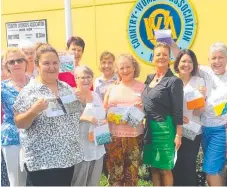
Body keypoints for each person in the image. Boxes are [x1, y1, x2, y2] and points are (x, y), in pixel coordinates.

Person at [13, 43, 83, 186]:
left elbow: (75, 117)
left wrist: (81, 103)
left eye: (55, 63)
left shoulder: (66, 88)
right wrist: (33, 111)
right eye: (46, 63)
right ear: (37, 65)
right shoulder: (29, 91)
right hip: (42, 161)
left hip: (67, 157)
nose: (51, 67)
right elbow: (19, 122)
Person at [142, 42, 183, 186]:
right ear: (153, 57)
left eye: (165, 54)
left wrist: (178, 134)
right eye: (158, 54)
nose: (161, 57)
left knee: (165, 168)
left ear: (170, 57)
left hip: (165, 129)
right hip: (149, 129)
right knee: (154, 167)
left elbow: (178, 109)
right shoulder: (149, 78)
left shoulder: (174, 81)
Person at [103, 53, 145, 186]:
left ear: (134, 68)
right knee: (115, 175)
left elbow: (147, 110)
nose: (125, 70)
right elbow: (103, 112)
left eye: (128, 67)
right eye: (121, 68)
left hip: (134, 137)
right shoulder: (111, 88)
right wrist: (109, 112)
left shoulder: (143, 88)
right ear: (117, 70)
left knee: (131, 175)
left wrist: (142, 107)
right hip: (114, 137)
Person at [172, 49, 206, 186]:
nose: (186, 64)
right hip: (174, 131)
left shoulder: (199, 82)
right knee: (174, 165)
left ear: (194, 64)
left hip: (193, 131)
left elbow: (199, 112)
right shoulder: (172, 81)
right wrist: (178, 117)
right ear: (177, 63)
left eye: (190, 61)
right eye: (183, 61)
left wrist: (202, 98)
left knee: (189, 165)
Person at [71, 65, 106, 186]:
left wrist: (104, 121)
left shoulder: (96, 96)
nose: (86, 80)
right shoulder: (72, 96)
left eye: (89, 77)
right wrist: (84, 118)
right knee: (79, 182)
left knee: (93, 182)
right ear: (76, 79)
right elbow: (66, 120)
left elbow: (101, 114)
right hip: (81, 149)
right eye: (82, 77)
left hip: (98, 145)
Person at [1, 47, 29, 186]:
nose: (16, 63)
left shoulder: (36, 84)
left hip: (34, 136)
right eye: (12, 62)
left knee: (31, 180)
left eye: (19, 60)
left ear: (25, 62)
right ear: (6, 66)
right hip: (12, 137)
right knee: (16, 181)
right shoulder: (2, 88)